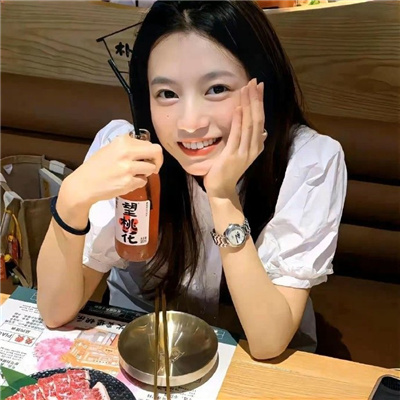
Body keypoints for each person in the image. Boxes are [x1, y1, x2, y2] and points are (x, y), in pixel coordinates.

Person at [37, 0, 347, 359]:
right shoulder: (126, 155)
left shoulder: (308, 161)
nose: (190, 123)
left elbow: (267, 341)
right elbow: (55, 311)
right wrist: (71, 200)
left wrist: (222, 197)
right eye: (167, 94)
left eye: (216, 89)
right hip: (141, 345)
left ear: (263, 85)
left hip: (248, 356)